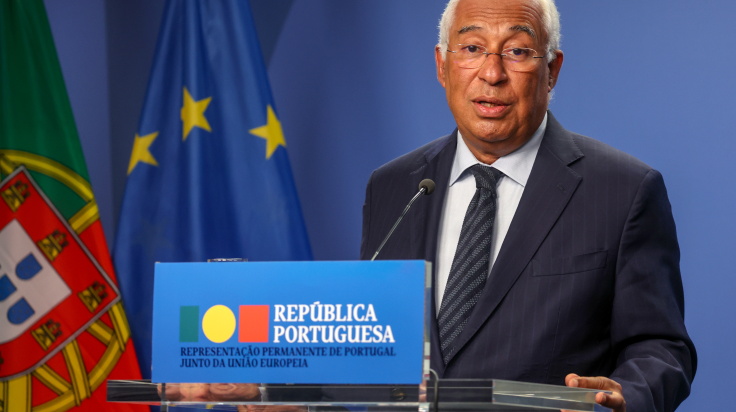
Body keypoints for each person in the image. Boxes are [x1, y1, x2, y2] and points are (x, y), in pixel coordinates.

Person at [360, 0, 696, 411]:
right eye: (472, 48)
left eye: (517, 51)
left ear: (551, 70)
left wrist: (625, 396)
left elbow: (661, 348)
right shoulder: (393, 186)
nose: (492, 73)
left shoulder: (624, 191)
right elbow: (373, 345)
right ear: (442, 65)